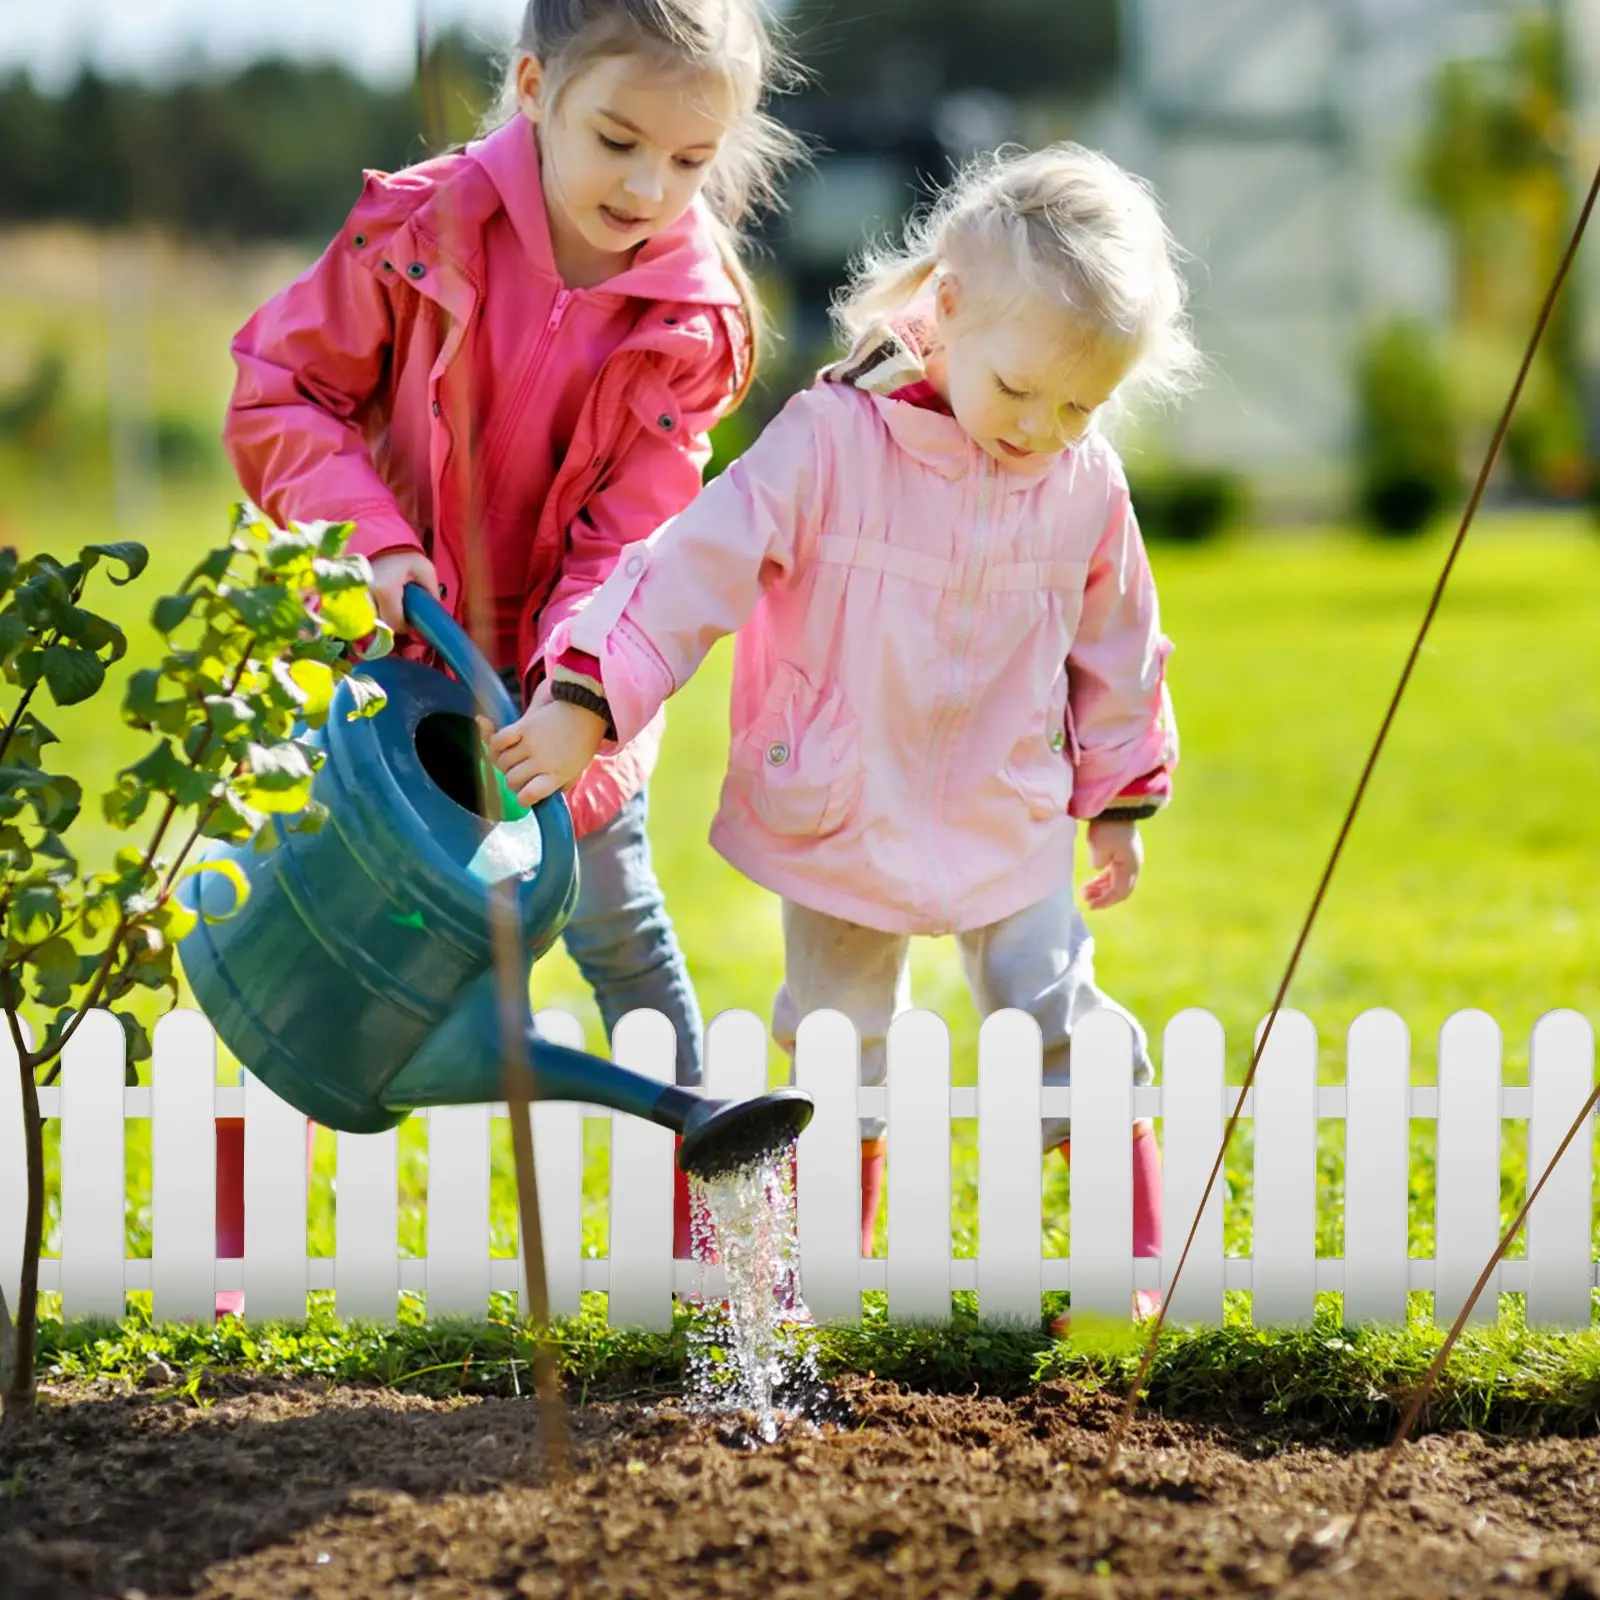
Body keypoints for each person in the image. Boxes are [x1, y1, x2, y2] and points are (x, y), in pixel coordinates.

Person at [221, 0, 802, 1289]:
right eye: (617, 140)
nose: (651, 187)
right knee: (301, 934)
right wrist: (364, 538)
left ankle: (724, 1250)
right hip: (379, 657)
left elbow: (634, 546)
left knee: (618, 930)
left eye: (693, 163)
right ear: (534, 85)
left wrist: (579, 704)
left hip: (560, 680)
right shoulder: (416, 230)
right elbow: (279, 391)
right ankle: (231, 1247)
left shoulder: (689, 323)